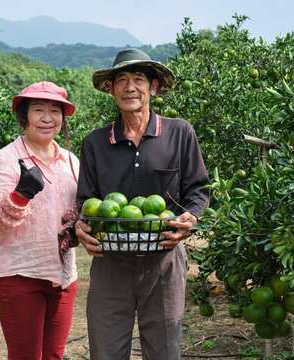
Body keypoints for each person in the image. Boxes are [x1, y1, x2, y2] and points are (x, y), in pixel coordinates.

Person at [75, 48, 210, 360]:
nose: (129, 86)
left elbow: (198, 191)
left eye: (138, 79)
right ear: (111, 89)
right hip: (111, 261)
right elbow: (85, 200)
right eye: (120, 79)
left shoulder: (179, 133)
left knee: (164, 350)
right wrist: (81, 225)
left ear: (154, 87)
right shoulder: (96, 142)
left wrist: (190, 218)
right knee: (105, 350)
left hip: (164, 258)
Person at [0, 81, 80, 360]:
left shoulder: (71, 162)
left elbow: (77, 212)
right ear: (25, 116)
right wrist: (20, 194)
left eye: (54, 111)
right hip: (19, 273)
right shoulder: (5, 160)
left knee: (53, 356)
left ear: (63, 117)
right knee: (26, 356)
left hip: (63, 277)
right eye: (38, 110)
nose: (47, 118)